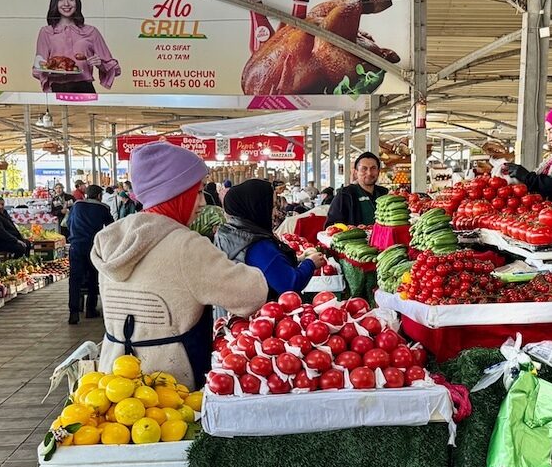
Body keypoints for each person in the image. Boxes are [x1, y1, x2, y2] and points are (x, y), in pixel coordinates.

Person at [92, 142, 268, 387]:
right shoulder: (186, 246)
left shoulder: (110, 237)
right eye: (198, 192)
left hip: (114, 380)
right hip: (168, 384)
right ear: (176, 194)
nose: (203, 203)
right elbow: (251, 294)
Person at [216, 180, 325, 309]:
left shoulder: (230, 234)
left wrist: (299, 259)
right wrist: (310, 263)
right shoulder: (256, 245)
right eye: (272, 206)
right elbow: (289, 285)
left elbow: (269, 269)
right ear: (257, 208)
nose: (275, 212)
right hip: (262, 314)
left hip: (239, 314)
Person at [32, 0, 120, 94]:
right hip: (56, 90)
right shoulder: (46, 32)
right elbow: (38, 68)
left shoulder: (91, 32)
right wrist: (51, 71)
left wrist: (100, 64)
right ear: (55, 2)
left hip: (85, 90)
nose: (66, 4)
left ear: (77, 2)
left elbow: (113, 68)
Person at [67, 184, 114, 325]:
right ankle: (90, 309)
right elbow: (111, 228)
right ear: (99, 196)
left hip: (75, 246)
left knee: (75, 279)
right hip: (93, 247)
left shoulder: (76, 205)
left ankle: (74, 312)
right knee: (94, 277)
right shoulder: (103, 208)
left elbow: (68, 223)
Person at [325, 152, 388, 226]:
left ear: (378, 171)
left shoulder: (384, 193)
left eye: (373, 168)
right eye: (364, 169)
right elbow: (332, 225)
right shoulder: (344, 195)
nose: (369, 173)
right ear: (356, 172)